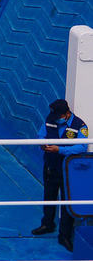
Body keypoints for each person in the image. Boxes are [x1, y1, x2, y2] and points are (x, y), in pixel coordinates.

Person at [31, 99, 88, 252]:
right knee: (49, 195)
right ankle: (47, 224)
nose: (56, 118)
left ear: (66, 114)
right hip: (50, 165)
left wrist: (60, 150)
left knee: (66, 201)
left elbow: (82, 146)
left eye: (59, 116)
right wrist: (42, 144)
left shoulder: (79, 126)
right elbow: (40, 135)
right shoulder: (50, 120)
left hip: (67, 169)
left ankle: (64, 236)